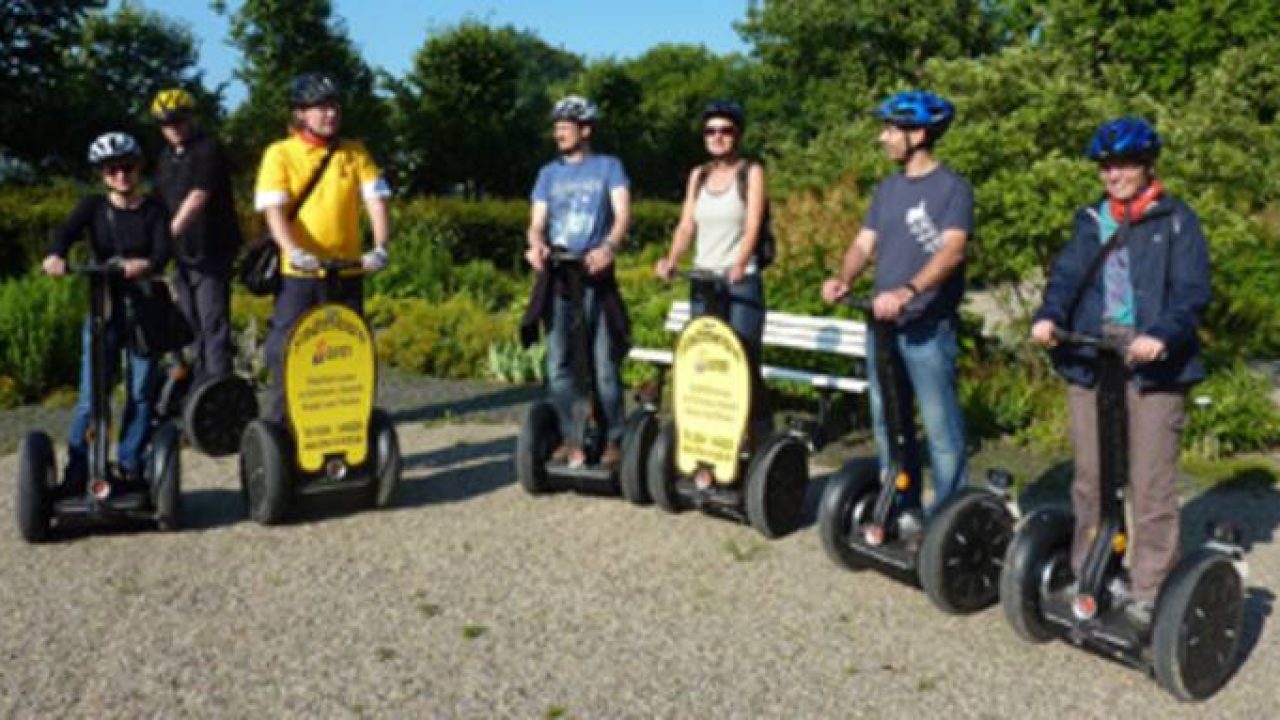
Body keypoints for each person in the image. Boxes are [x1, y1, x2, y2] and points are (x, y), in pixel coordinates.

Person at [1030, 117, 1210, 628]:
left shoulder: (1176, 220)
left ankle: (1150, 587)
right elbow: (1066, 279)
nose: (1115, 175)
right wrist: (1049, 317)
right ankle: (1091, 570)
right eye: (1107, 167)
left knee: (1150, 483)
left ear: (1147, 165)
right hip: (1092, 359)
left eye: (1125, 164)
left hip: (1153, 367)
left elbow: (1191, 293)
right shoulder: (1090, 220)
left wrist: (1162, 336)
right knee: (1091, 479)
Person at [821, 90, 973, 526]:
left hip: (927, 328)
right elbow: (863, 243)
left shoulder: (953, 189)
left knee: (941, 431)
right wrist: (844, 278)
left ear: (919, 134)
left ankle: (948, 521)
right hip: (883, 326)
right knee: (888, 423)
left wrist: (908, 291)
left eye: (890, 129)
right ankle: (902, 507)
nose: (882, 137)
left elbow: (952, 252)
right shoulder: (887, 189)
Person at [253, 72, 392, 421]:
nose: (330, 114)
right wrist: (293, 251)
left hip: (347, 269)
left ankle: (348, 425)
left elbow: (376, 201)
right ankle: (284, 426)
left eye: (334, 107)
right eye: (320, 108)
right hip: (299, 274)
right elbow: (275, 212)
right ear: (300, 113)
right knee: (287, 349)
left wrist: (380, 246)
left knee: (352, 349)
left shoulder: (354, 153)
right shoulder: (280, 154)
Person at [42, 132, 173, 486]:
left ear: (138, 169)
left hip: (145, 309)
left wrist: (143, 265)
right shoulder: (92, 208)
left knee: (142, 391)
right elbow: (66, 233)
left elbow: (163, 251)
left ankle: (131, 464)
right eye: (112, 170)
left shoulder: (155, 210)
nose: (121, 176)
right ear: (102, 175)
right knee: (92, 395)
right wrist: (56, 255)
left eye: (127, 168)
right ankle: (80, 470)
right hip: (104, 308)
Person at [522, 95, 631, 468]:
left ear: (585, 129)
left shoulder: (609, 167)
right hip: (560, 277)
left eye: (565, 127)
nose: (559, 134)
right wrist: (536, 246)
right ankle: (574, 436)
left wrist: (610, 247)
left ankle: (615, 438)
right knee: (559, 366)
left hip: (595, 275)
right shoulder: (547, 174)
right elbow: (537, 224)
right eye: (556, 128)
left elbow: (621, 216)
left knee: (603, 366)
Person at [654, 99, 770, 438]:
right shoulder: (699, 175)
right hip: (704, 281)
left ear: (738, 134)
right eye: (711, 131)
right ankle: (708, 440)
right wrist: (672, 259)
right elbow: (686, 224)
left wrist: (738, 263)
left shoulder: (752, 172)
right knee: (703, 362)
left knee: (742, 362)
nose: (717, 136)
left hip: (740, 282)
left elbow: (753, 224)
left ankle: (758, 438)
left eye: (725, 130)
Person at [151, 88, 243, 383]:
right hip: (181, 254)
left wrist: (165, 236)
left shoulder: (207, 149)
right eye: (166, 124)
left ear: (190, 118)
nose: (173, 128)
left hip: (211, 250)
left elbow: (197, 197)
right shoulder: (166, 157)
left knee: (212, 321)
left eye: (178, 121)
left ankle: (219, 388)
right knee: (190, 324)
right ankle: (198, 386)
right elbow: (159, 201)